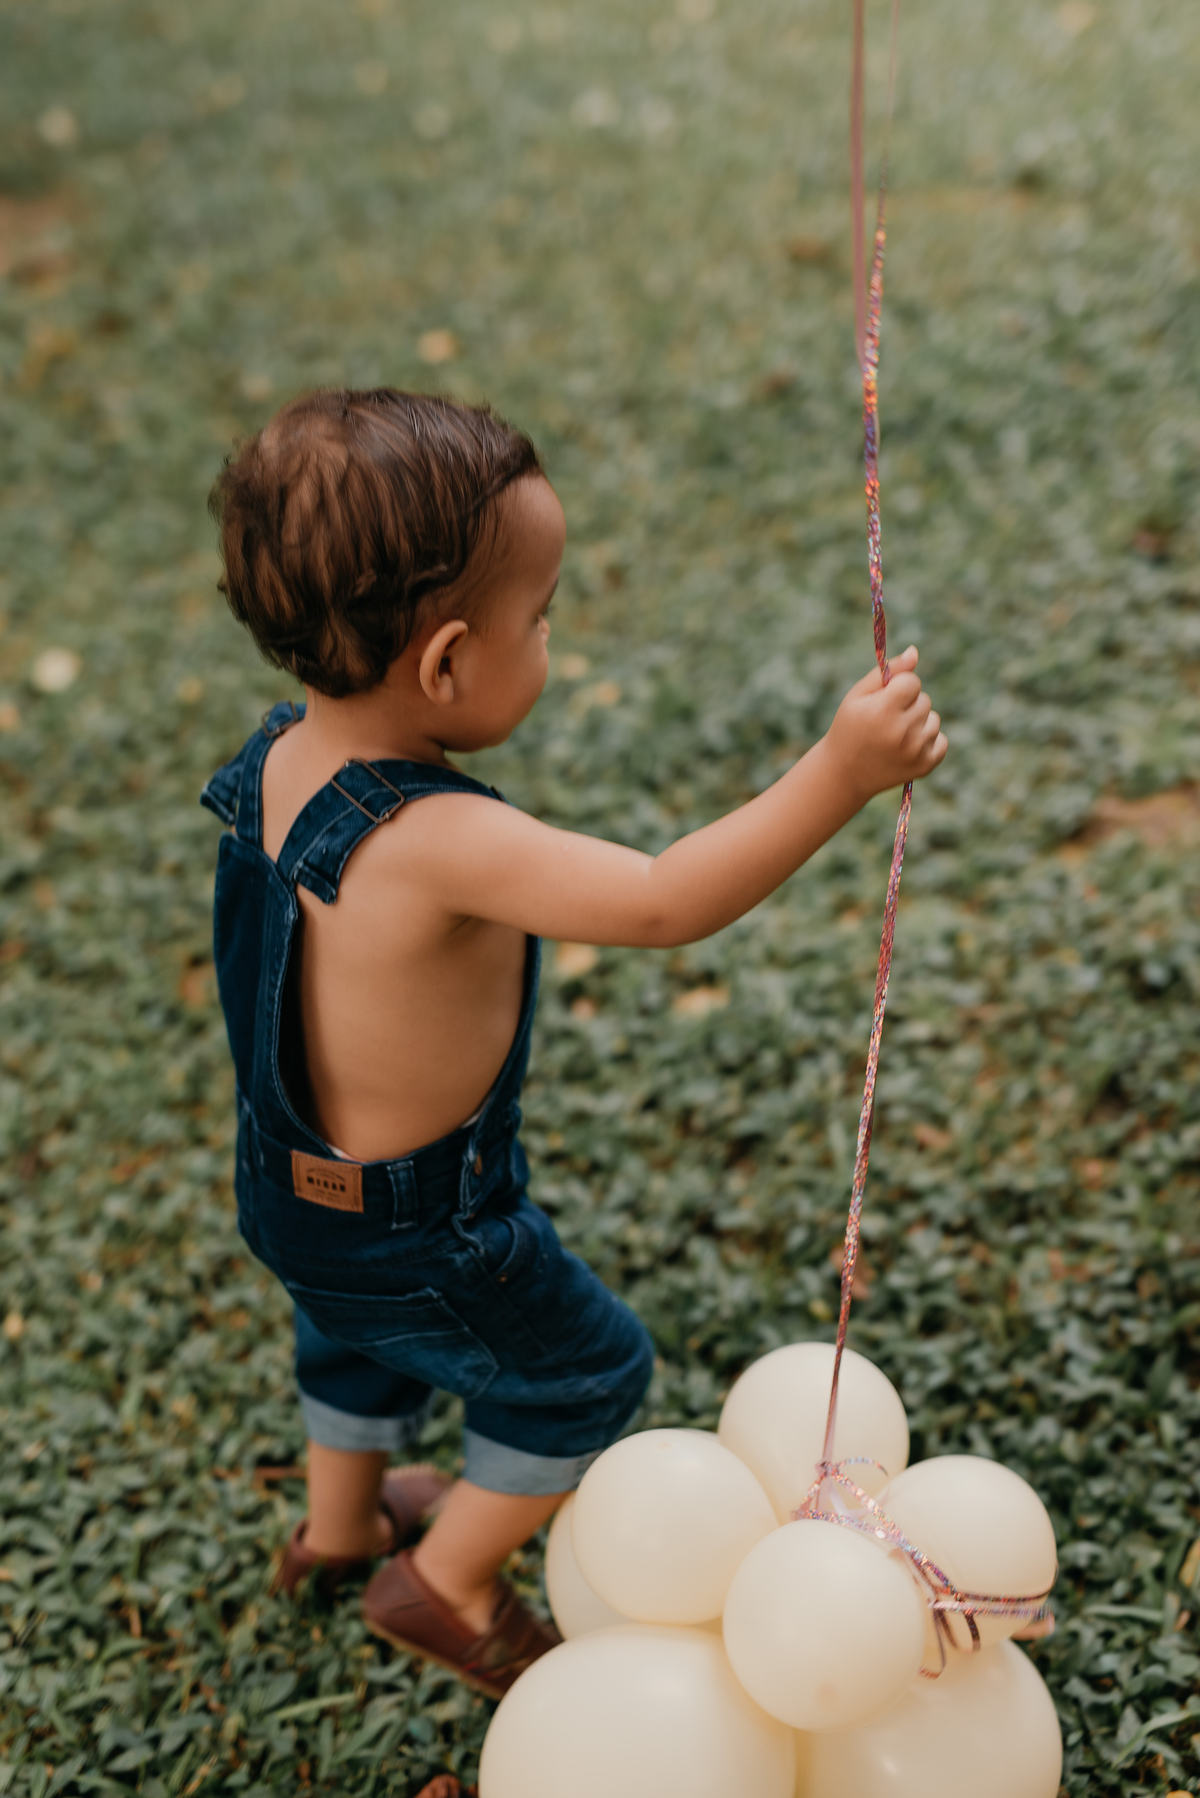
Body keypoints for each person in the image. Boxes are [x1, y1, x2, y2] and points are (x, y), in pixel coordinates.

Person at [201, 387, 947, 1698]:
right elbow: (665, 897)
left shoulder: (277, 762)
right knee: (586, 1372)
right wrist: (841, 771)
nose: (550, 638)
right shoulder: (440, 840)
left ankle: (337, 1526)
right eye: (536, 620)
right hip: (430, 1218)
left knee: (351, 1332)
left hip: (289, 1182)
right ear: (443, 663)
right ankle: (445, 1580)